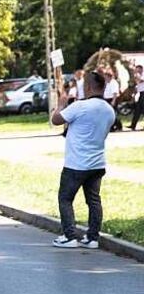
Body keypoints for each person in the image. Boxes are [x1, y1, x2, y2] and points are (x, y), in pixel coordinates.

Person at [50, 70, 114, 249]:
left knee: (65, 198)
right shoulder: (109, 110)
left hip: (76, 163)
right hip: (97, 162)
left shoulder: (80, 106)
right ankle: (92, 238)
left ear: (87, 86)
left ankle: (69, 236)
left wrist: (61, 104)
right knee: (94, 200)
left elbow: (56, 120)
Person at [129, 65, 144, 131]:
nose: (137, 70)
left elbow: (141, 81)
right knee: (137, 110)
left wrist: (135, 75)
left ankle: (133, 125)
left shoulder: (142, 75)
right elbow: (137, 85)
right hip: (141, 94)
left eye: (138, 69)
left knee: (141, 109)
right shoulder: (138, 76)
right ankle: (133, 125)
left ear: (141, 69)